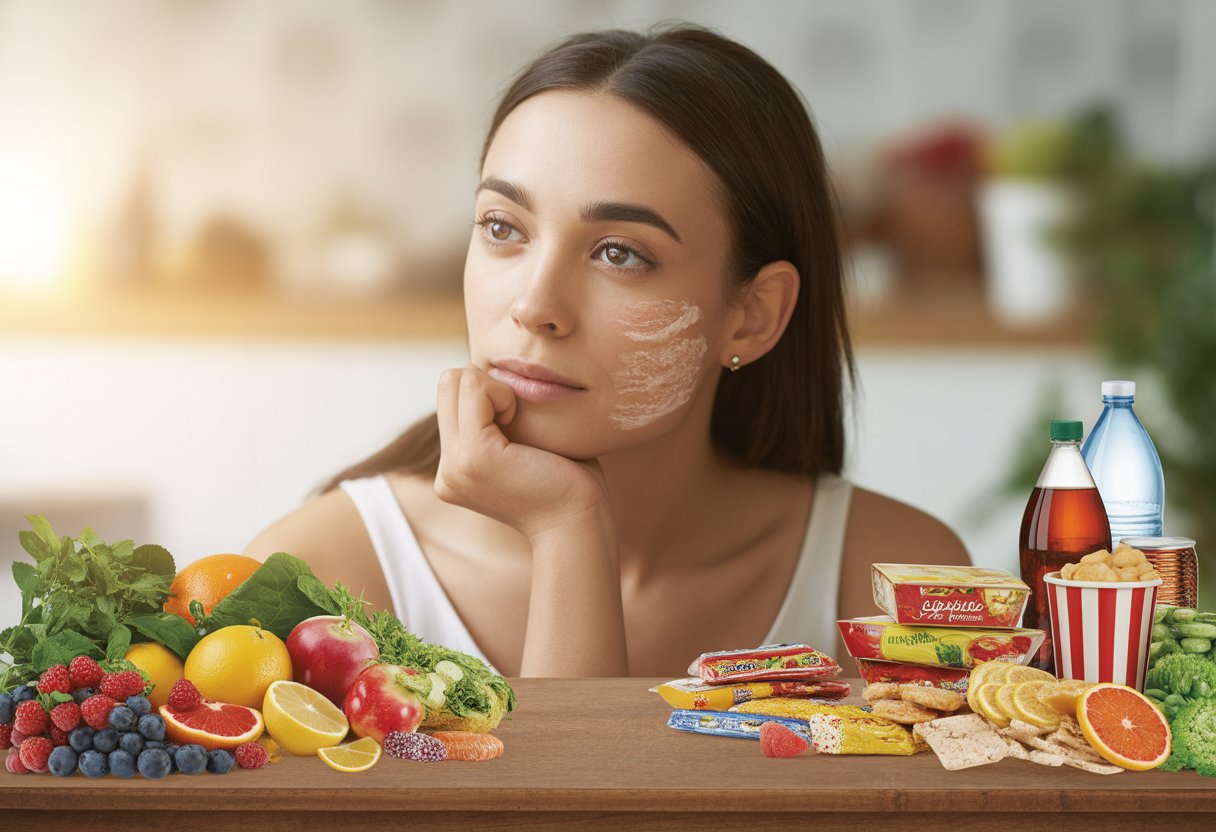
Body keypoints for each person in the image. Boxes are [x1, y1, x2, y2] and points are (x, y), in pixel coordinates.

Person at [245, 24, 970, 678]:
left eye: (619, 252)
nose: (534, 305)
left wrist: (569, 529)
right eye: (503, 228)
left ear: (751, 316)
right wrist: (566, 526)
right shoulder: (317, 577)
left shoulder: (898, 586)